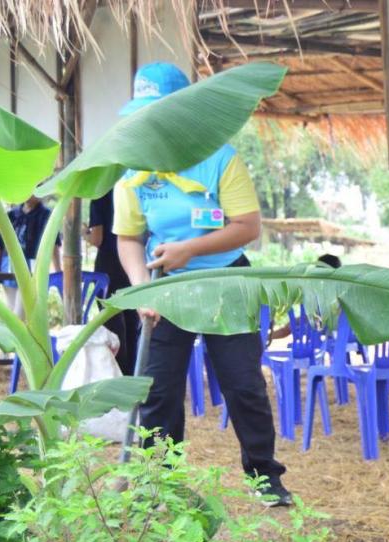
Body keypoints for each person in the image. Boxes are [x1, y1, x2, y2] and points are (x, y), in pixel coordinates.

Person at [113, 62, 291, 507]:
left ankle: (265, 476)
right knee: (158, 389)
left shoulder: (220, 159)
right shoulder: (133, 170)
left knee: (242, 383)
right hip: (164, 286)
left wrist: (190, 249)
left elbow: (247, 226)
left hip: (225, 279)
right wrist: (141, 289)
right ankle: (159, 483)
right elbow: (128, 239)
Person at [86, 188, 139, 376]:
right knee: (134, 320)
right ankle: (134, 371)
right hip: (133, 261)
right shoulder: (131, 186)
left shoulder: (99, 194)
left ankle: (118, 372)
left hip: (108, 265)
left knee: (111, 322)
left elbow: (96, 238)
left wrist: (84, 232)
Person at [0, 195, 61, 317]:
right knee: (11, 310)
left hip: (32, 269)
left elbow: (54, 244)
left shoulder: (46, 215)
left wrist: (58, 271)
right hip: (8, 268)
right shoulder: (11, 215)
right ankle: (13, 336)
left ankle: (15, 335)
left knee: (20, 315)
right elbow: (0, 245)